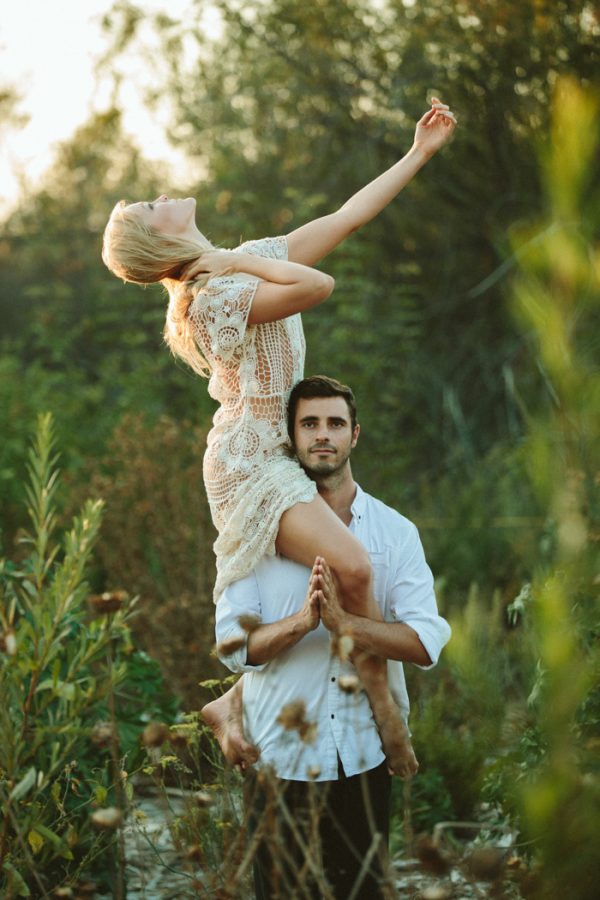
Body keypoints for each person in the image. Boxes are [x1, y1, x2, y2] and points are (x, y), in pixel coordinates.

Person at [101, 99, 457, 775]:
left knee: (333, 577)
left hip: (276, 452)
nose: (161, 195)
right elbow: (319, 285)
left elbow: (345, 221)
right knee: (353, 569)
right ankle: (384, 713)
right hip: (247, 462)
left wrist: (418, 154)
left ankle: (237, 702)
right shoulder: (213, 298)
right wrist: (234, 257)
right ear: (159, 242)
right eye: (151, 207)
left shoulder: (242, 265)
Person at [212, 375, 451, 899]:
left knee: (363, 892)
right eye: (310, 424)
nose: (323, 435)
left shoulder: (394, 531)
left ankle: (226, 709)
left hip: (362, 755)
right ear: (291, 437)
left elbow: (425, 639)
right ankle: (228, 709)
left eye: (335, 424)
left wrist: (349, 625)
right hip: (279, 756)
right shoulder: (258, 533)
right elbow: (231, 645)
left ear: (354, 435)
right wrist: (301, 624)